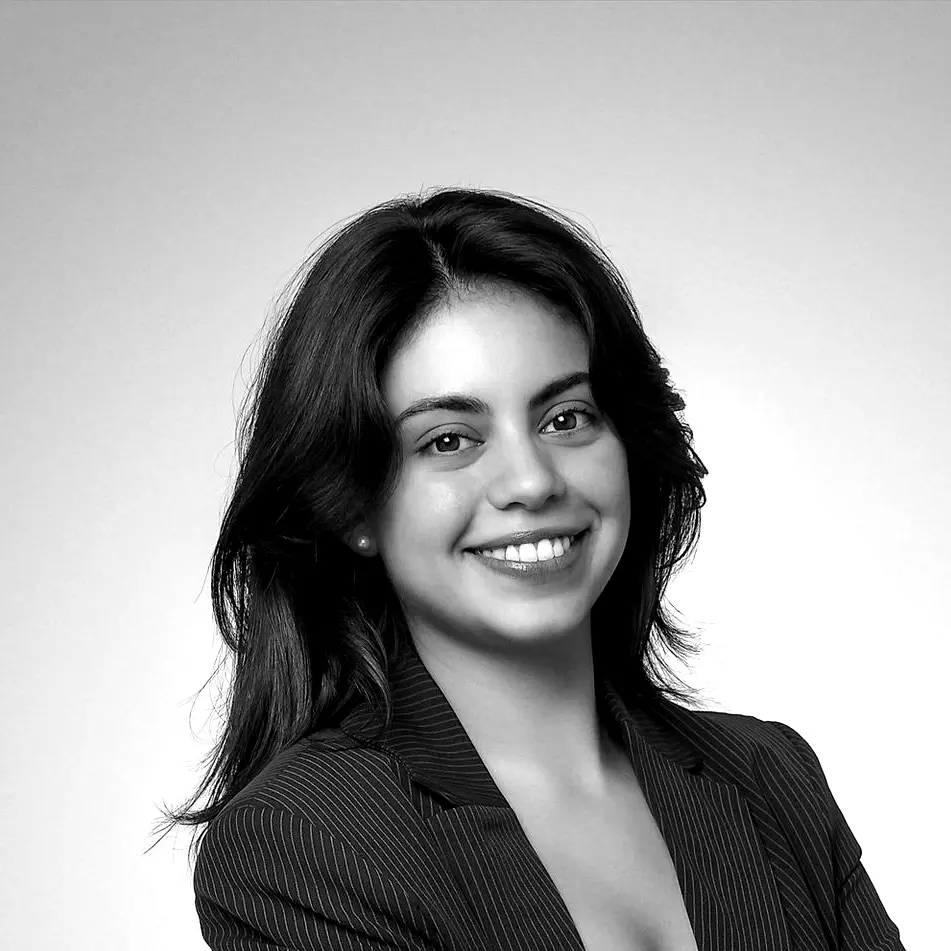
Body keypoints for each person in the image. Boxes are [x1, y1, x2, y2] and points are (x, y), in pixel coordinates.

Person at [165, 189, 904, 950]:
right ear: (351, 504)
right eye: (449, 440)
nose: (531, 481)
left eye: (565, 419)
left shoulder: (771, 776)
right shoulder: (304, 841)